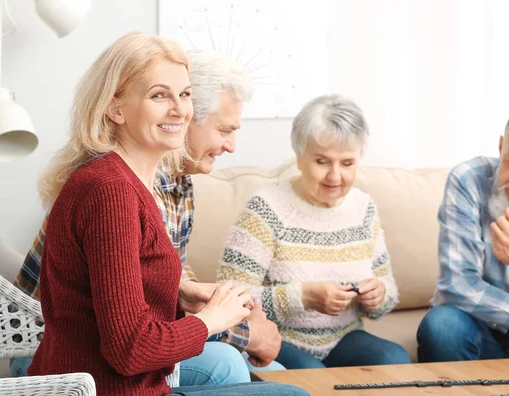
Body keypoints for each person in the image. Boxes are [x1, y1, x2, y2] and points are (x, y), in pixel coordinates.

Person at [27, 31, 307, 396]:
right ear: (116, 108)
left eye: (184, 94)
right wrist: (210, 321)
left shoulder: (126, 183)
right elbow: (130, 349)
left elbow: (123, 296)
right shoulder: (109, 191)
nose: (179, 109)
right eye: (159, 95)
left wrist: (180, 296)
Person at [217, 94, 411, 369]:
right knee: (312, 376)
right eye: (322, 161)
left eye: (347, 163)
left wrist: (378, 294)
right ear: (299, 157)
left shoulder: (363, 208)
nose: (335, 176)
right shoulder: (266, 208)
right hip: (280, 338)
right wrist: (303, 297)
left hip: (345, 337)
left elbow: (388, 289)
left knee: (394, 360)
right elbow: (231, 298)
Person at [417, 102, 509, 363]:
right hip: (479, 328)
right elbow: (456, 286)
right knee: (443, 325)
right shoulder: (468, 180)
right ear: (501, 147)